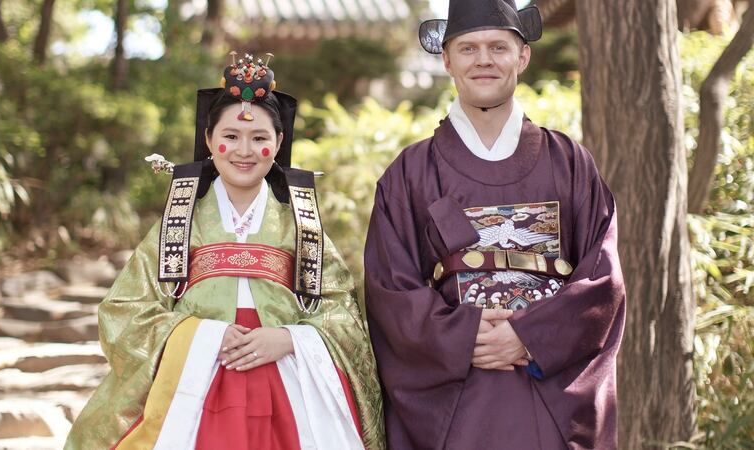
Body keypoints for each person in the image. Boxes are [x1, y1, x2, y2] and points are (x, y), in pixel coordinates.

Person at [65, 53, 384, 450]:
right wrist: (200, 337)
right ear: (209, 141)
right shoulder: (178, 222)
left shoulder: (303, 226)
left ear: (279, 142)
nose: (244, 151)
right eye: (230, 136)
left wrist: (291, 339)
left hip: (289, 383)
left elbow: (344, 318)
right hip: (190, 384)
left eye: (260, 138)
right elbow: (122, 311)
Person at [364, 1, 626, 449]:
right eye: (468, 48)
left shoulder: (569, 163)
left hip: (551, 392)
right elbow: (391, 291)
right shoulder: (409, 173)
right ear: (446, 60)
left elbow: (602, 279)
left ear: (522, 57)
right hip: (458, 397)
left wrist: (530, 338)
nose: (483, 60)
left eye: (498, 47)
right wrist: (463, 337)